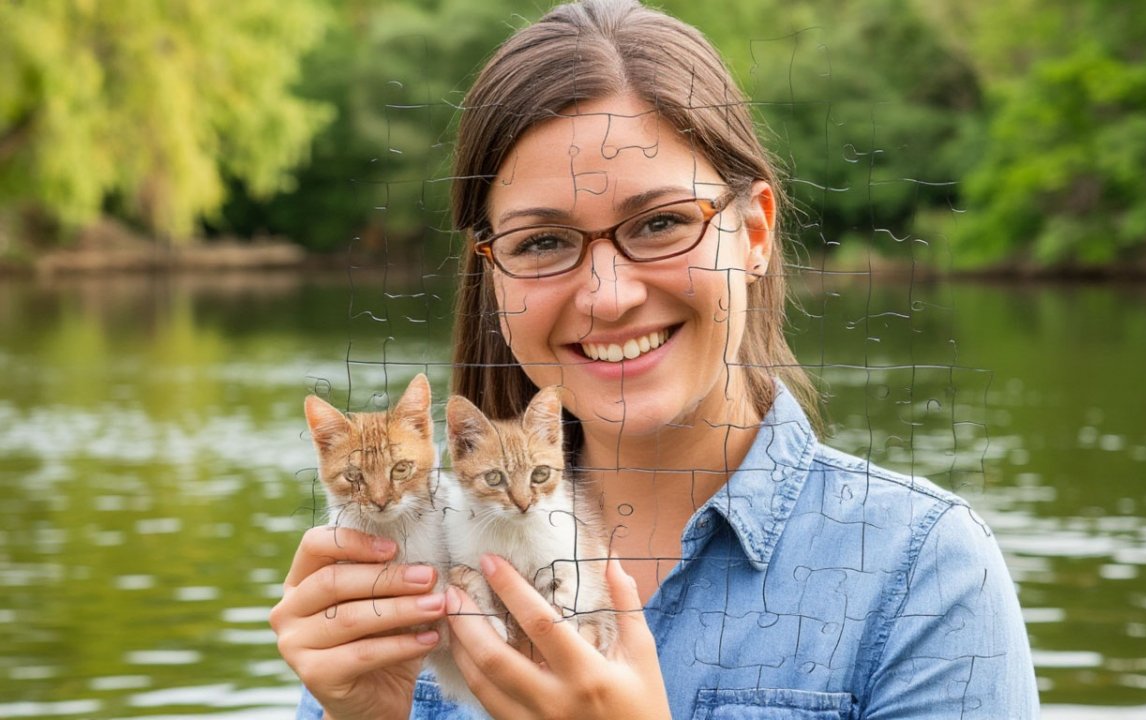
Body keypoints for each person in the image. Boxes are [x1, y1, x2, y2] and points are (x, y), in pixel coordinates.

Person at [269, 0, 1040, 718]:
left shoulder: (922, 575)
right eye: (542, 242)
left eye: (663, 222)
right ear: (491, 271)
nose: (607, 296)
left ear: (757, 233)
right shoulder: (407, 571)